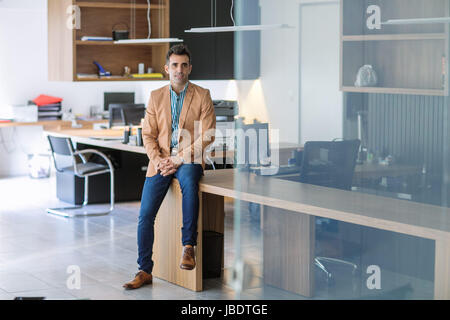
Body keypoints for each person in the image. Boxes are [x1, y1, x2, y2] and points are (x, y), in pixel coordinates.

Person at [123, 44, 216, 290]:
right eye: (175, 65)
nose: (179, 70)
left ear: (190, 68)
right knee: (145, 215)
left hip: (188, 159)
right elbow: (148, 134)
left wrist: (180, 157)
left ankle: (188, 247)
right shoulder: (155, 96)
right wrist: (158, 160)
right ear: (167, 68)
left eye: (184, 65)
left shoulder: (202, 94)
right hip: (161, 161)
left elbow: (208, 134)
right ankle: (144, 270)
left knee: (188, 183)